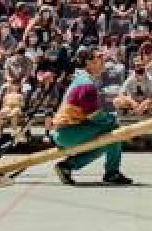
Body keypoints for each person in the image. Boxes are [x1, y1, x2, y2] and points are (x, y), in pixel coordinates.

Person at [51, 47, 133, 186]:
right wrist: (112, 119)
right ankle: (112, 173)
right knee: (113, 130)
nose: (103, 60)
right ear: (88, 62)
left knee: (104, 142)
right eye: (99, 57)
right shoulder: (86, 85)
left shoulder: (83, 79)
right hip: (68, 133)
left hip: (67, 131)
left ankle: (67, 166)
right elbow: (94, 116)